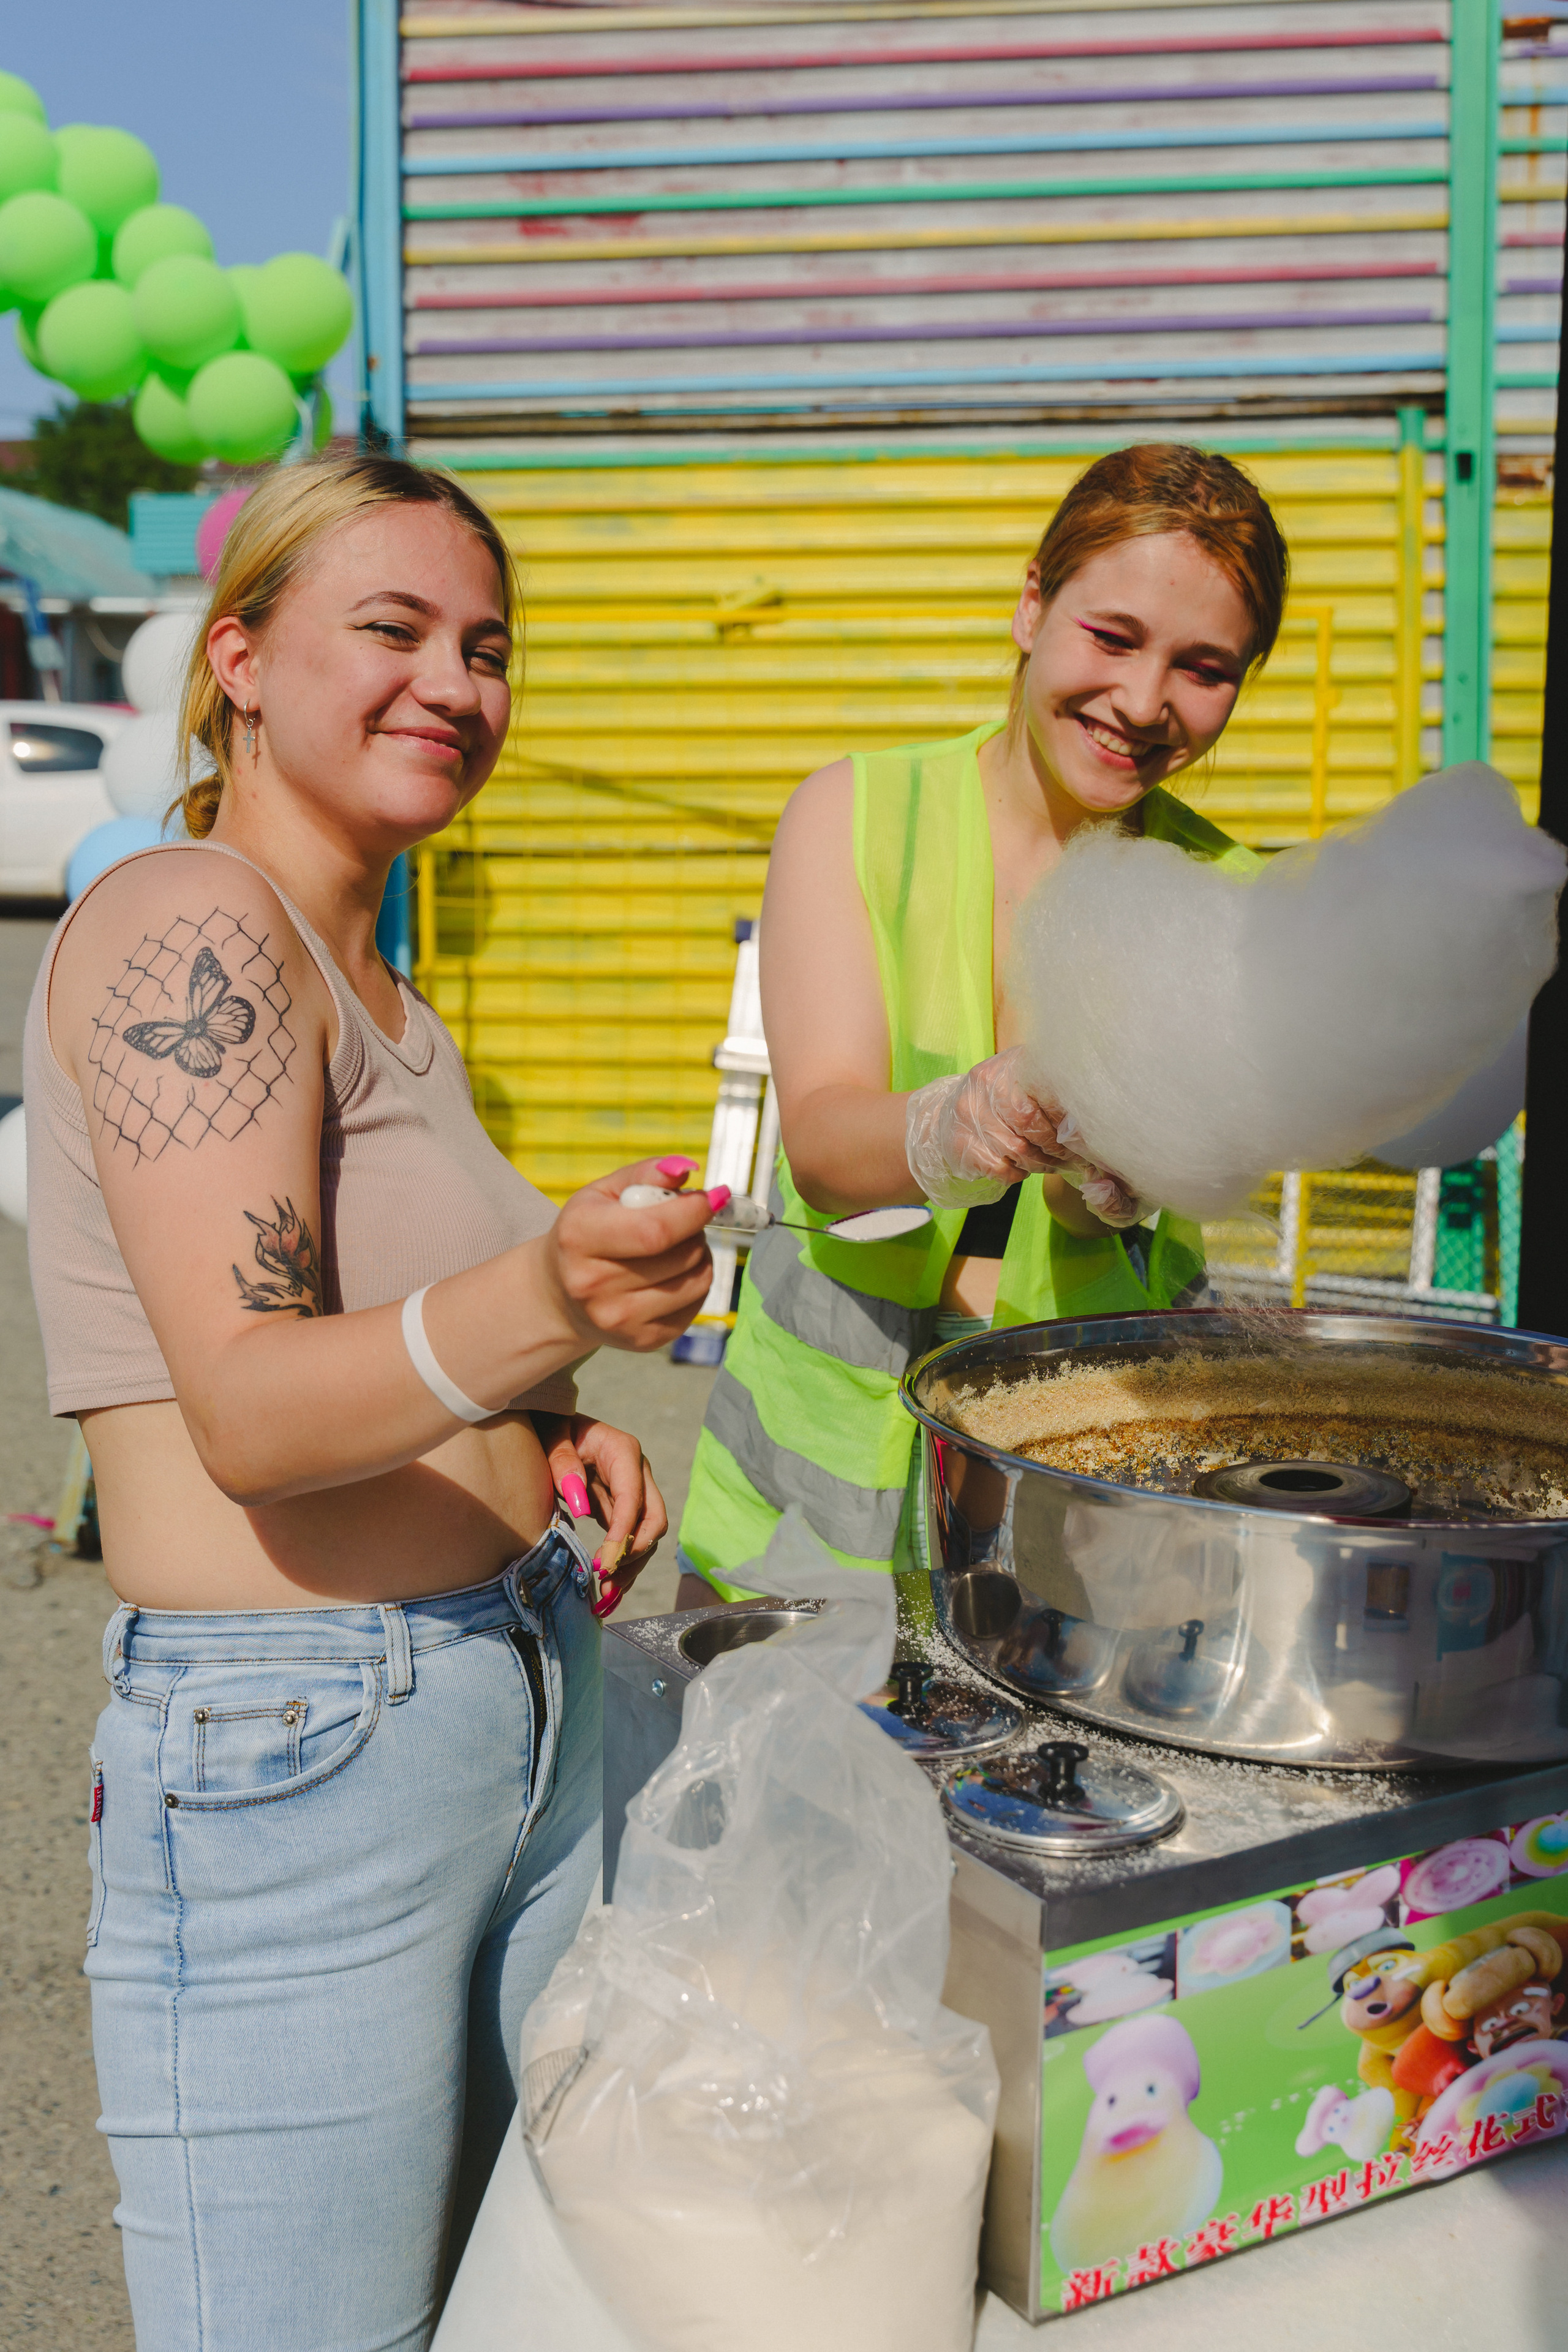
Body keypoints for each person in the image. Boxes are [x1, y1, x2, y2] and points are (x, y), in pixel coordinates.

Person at [23, 454, 718, 2350]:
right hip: (306, 1744)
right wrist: (546, 1292)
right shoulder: (192, 923)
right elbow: (248, 1413)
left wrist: (545, 1424)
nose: (455, 684)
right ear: (238, 659)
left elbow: (374, 1335)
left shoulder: (378, 982)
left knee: (507, 2312)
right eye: (393, 629)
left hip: (501, 1696)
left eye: (486, 647)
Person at [676, 443, 1286, 1603]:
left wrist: (1120, 1175)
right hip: (798, 1529)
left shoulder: (1232, 902)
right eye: (1113, 637)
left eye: (1204, 668)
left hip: (1086, 1519)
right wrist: (967, 1118)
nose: (1144, 703)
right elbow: (826, 1144)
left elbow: (1130, 1216)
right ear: (1031, 606)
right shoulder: (856, 815)